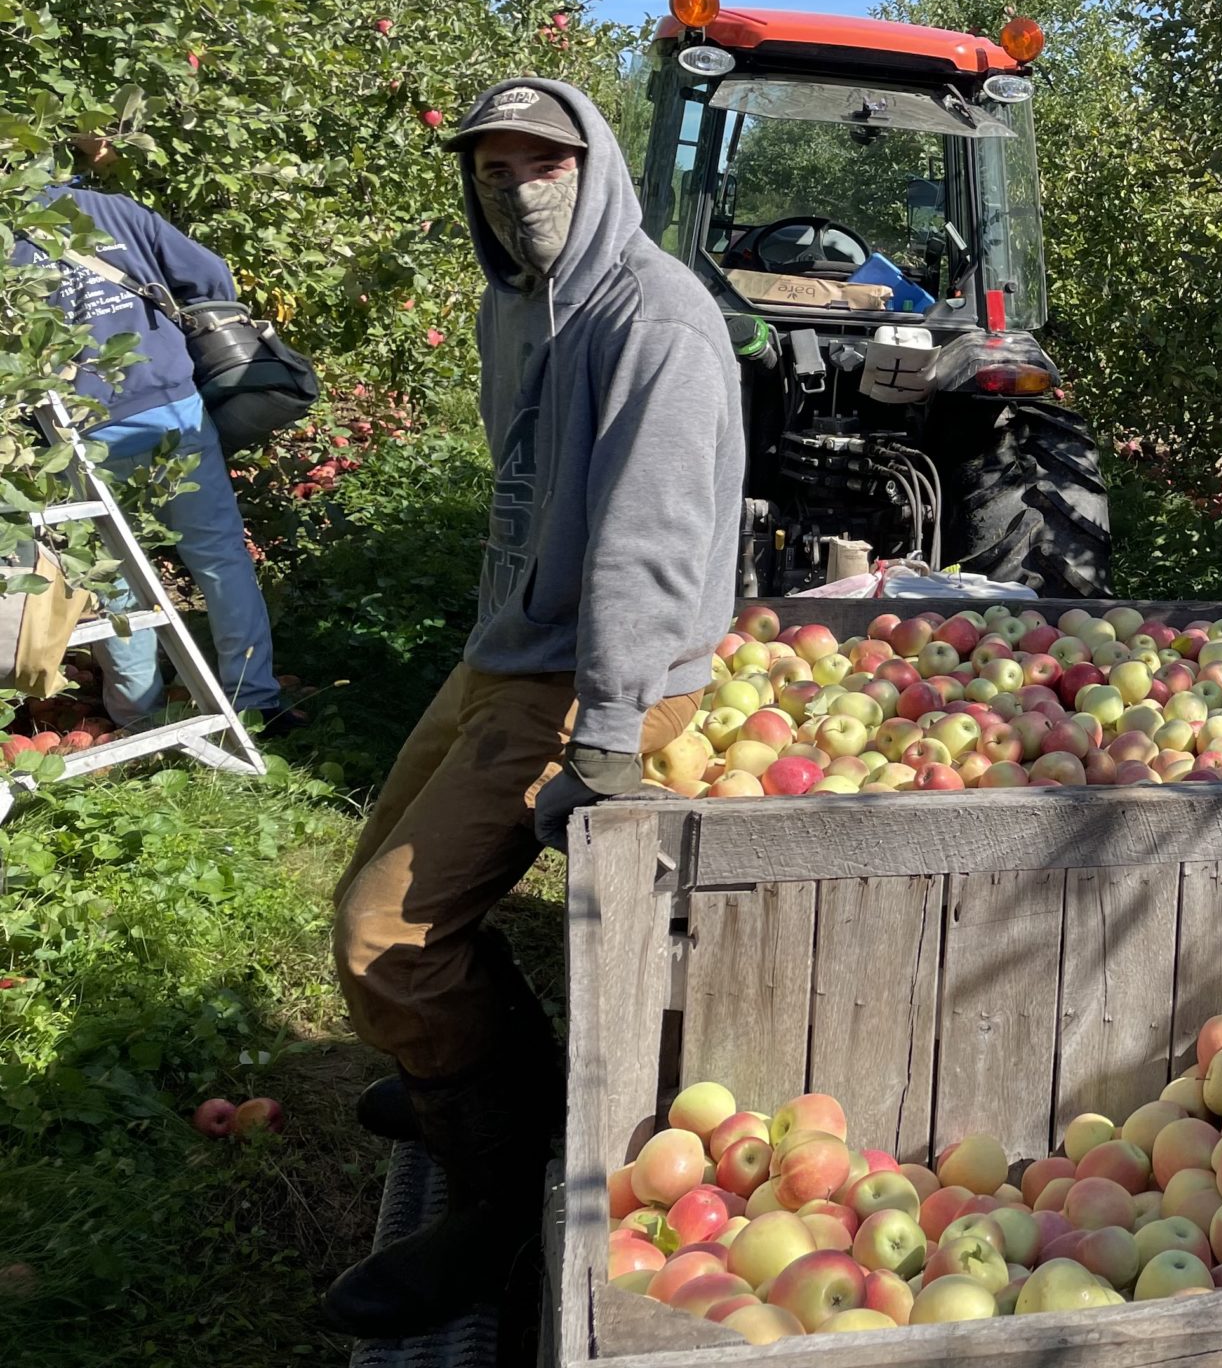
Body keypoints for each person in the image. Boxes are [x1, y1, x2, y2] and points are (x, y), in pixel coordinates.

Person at [322, 79, 745, 1339]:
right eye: (494, 169)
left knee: (382, 936)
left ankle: (502, 1191)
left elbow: (648, 547)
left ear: (595, 167)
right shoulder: (512, 302)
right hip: (510, 649)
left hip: (592, 674)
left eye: (545, 164)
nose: (521, 190)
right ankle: (471, 1072)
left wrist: (609, 737)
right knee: (380, 891)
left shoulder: (655, 321)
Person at [15, 174, 284, 727]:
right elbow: (208, 276)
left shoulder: (7, 231)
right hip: (172, 407)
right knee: (220, 557)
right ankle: (252, 697)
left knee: (112, 574)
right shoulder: (115, 211)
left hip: (78, 428)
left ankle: (138, 713)